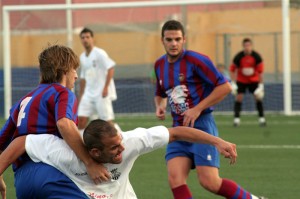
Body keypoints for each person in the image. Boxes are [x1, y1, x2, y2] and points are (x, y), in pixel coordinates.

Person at [154, 20, 266, 199]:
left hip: (202, 125)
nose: (173, 43)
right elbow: (160, 92)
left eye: (177, 39)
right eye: (169, 39)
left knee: (209, 182)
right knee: (175, 179)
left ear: (184, 40)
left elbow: (225, 87)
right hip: (178, 130)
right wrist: (160, 106)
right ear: (162, 41)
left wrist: (197, 109)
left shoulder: (197, 60)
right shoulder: (159, 65)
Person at [0, 119, 237, 199]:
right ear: (93, 153)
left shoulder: (130, 141)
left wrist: (218, 142)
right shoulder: (65, 152)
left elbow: (175, 132)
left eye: (120, 142)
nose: (121, 148)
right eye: (113, 148)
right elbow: (22, 142)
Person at [0, 45, 110, 199]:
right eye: (74, 70)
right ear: (64, 70)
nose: (76, 76)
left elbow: (1, 143)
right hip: (52, 173)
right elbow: (64, 123)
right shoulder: (62, 93)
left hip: (22, 182)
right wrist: (89, 163)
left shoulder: (22, 102)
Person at [78, 27, 120, 132]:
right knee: (81, 120)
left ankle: (120, 138)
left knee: (107, 123)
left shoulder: (100, 53)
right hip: (88, 94)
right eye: (83, 37)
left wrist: (105, 88)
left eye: (87, 37)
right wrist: (81, 95)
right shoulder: (82, 57)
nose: (85, 39)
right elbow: (83, 77)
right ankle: (79, 145)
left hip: (101, 94)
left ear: (92, 39)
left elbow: (110, 68)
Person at [230, 38, 266, 127]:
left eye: (249, 45)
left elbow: (260, 72)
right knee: (239, 98)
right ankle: (236, 119)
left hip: (253, 80)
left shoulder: (256, 57)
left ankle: (262, 119)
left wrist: (261, 85)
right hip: (241, 80)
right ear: (243, 46)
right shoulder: (238, 57)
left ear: (251, 46)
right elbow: (232, 70)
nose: (247, 47)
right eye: (245, 45)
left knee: (258, 97)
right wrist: (233, 83)